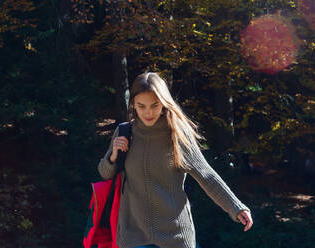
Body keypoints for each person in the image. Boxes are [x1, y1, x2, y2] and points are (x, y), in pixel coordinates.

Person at [98, 72, 253, 248]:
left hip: (175, 237)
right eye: (141, 106)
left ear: (164, 103)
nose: (148, 112)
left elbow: (206, 175)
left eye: (154, 105)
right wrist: (113, 156)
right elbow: (104, 173)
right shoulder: (125, 132)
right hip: (133, 237)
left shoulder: (177, 134)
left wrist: (236, 207)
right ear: (133, 103)